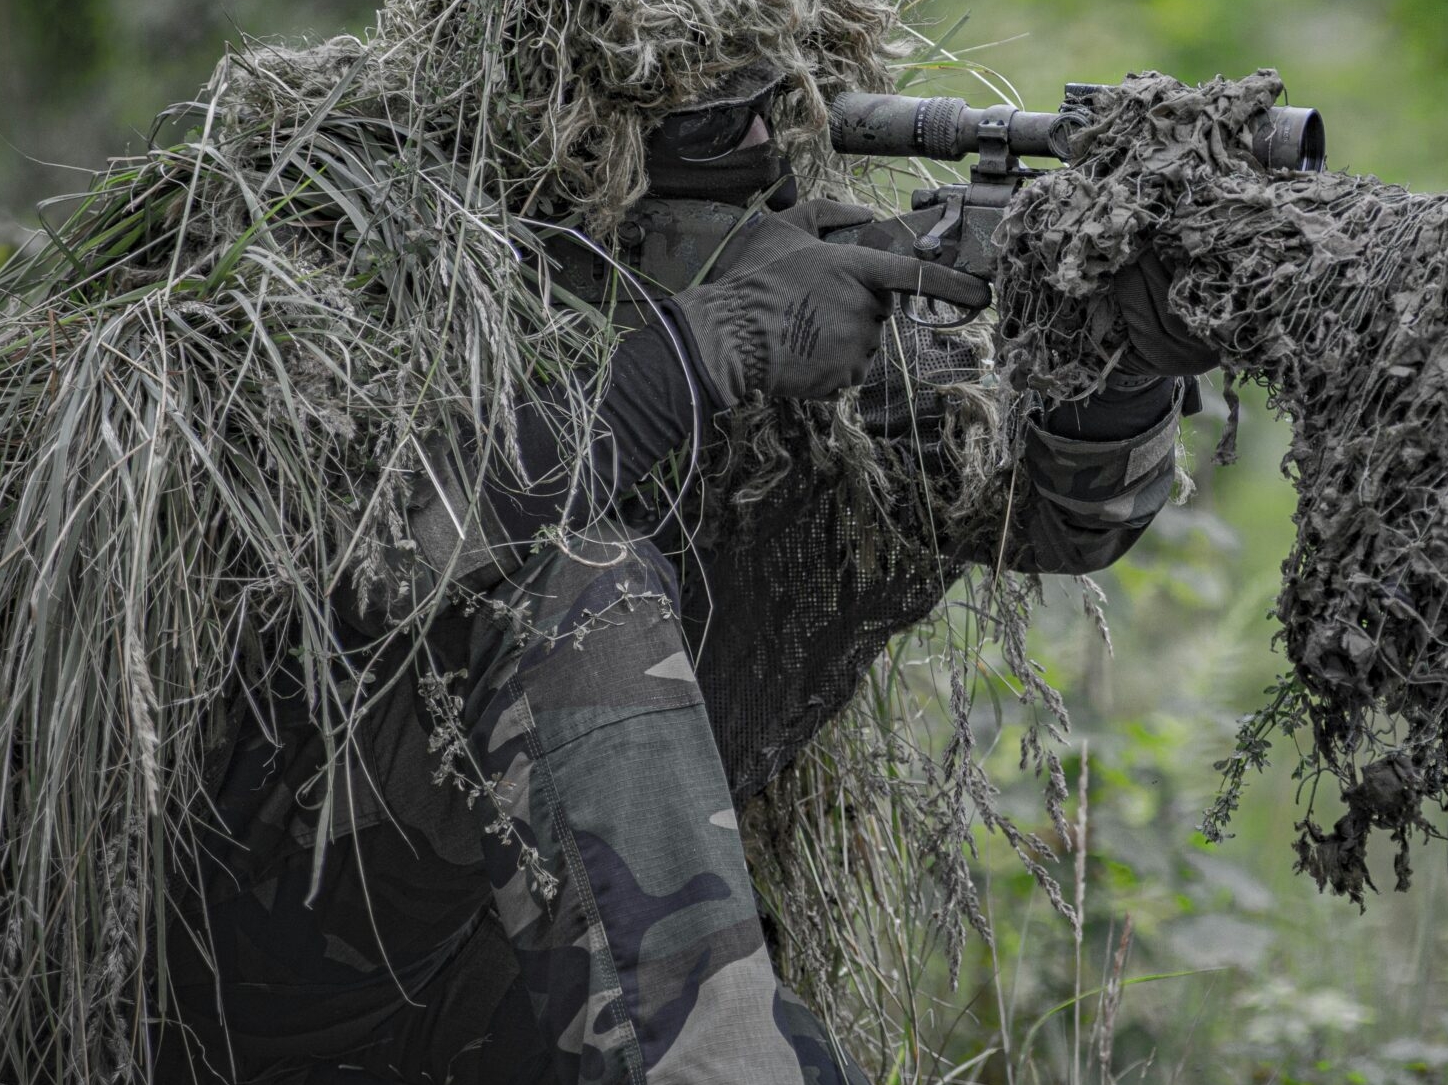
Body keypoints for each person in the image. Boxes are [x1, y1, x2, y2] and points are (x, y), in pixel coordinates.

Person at [155, 65, 1219, 1083]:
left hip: (511, 985)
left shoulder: (787, 305)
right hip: (255, 979)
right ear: (572, 149)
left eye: (781, 111)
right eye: (708, 124)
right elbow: (389, 563)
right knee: (585, 585)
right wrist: (692, 355)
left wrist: (1116, 366)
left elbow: (1034, 523)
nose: (764, 146)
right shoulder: (371, 270)